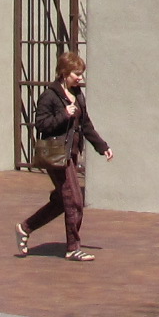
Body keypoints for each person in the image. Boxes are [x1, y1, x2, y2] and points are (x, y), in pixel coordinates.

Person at [17, 51, 113, 261]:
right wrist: (63, 115)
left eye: (81, 74)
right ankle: (73, 248)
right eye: (76, 73)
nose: (80, 77)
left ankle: (25, 228)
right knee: (75, 200)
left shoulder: (77, 94)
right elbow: (41, 124)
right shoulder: (49, 96)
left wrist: (102, 146)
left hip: (71, 153)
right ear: (63, 72)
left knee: (62, 202)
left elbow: (85, 124)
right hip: (56, 155)